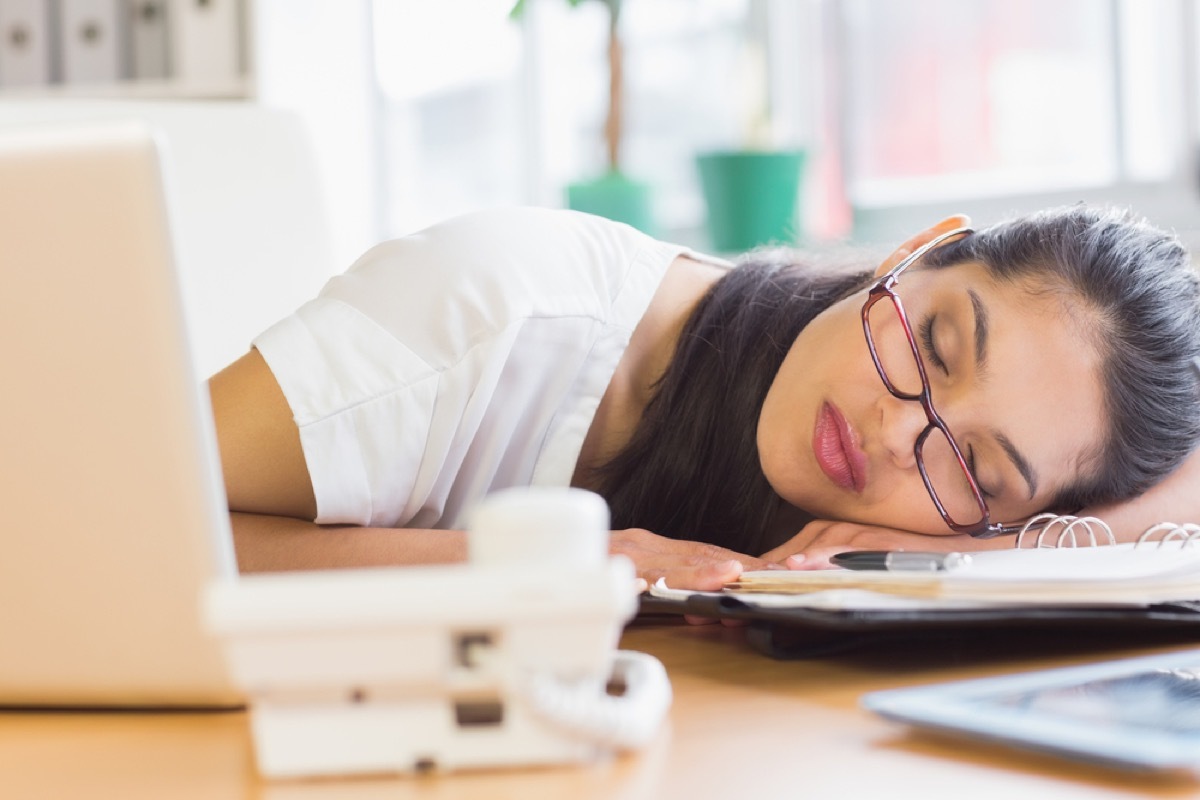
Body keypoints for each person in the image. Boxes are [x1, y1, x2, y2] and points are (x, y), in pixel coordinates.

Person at [210, 204, 1200, 591]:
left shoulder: (882, 523)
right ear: (911, 252)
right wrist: (553, 567)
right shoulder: (501, 309)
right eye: (934, 346)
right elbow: (110, 532)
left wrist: (960, 544)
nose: (897, 430)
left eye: (972, 464)